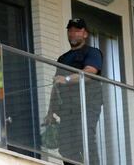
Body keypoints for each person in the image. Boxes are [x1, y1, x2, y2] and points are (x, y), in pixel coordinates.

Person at [44, 18, 103, 165]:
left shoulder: (93, 52)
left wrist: (67, 79)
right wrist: (50, 112)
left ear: (85, 34)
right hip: (68, 108)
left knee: (85, 136)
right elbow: (56, 85)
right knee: (65, 145)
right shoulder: (63, 58)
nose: (73, 33)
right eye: (70, 30)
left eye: (77, 30)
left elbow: (90, 72)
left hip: (87, 103)